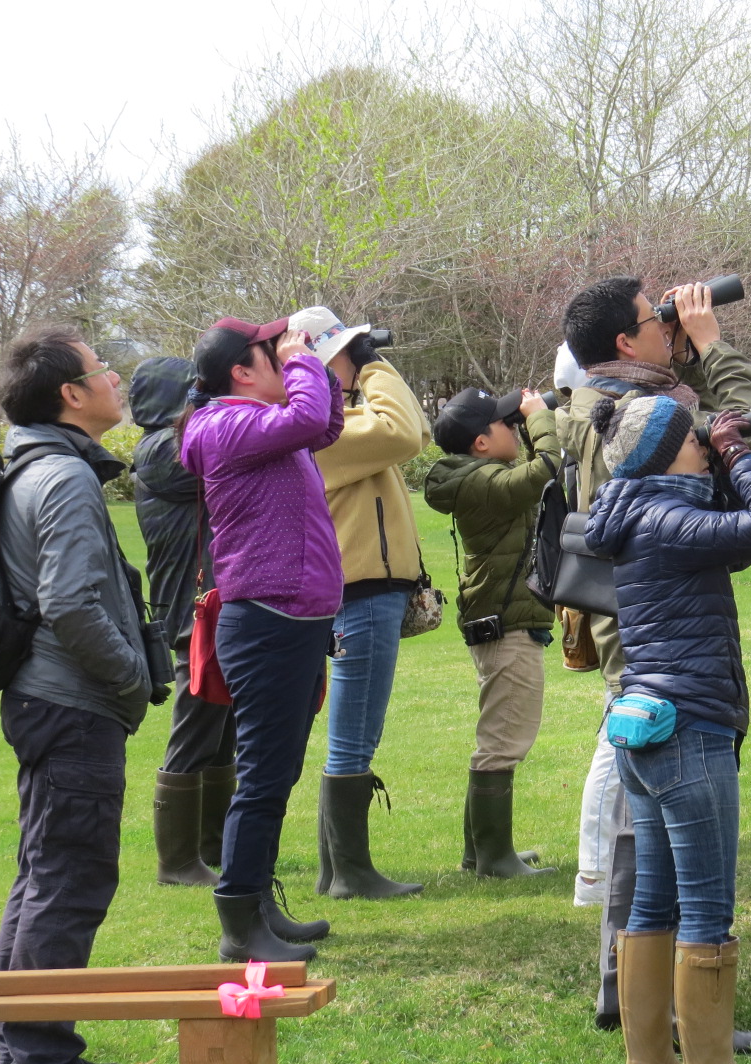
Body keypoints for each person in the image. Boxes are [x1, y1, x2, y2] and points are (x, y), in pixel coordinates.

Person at [558, 276, 751, 1051]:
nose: (666, 323)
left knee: (650, 871)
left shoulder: (592, 413)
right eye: (655, 317)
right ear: (623, 341)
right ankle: (683, 1024)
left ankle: (643, 1025)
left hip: (644, 653)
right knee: (694, 879)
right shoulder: (639, 422)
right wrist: (712, 346)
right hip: (676, 668)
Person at [584, 395, 751, 1064]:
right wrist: (738, 452)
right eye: (694, 436)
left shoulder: (639, 515)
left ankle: (649, 1058)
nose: (703, 441)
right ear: (666, 450)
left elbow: (733, 535)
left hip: (645, 732)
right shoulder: (667, 518)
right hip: (690, 732)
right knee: (707, 913)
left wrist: (724, 463)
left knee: (653, 904)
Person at [0, 324, 155, 1064]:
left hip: (44, 704)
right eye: (103, 369)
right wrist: (130, 676)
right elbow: (71, 605)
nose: (115, 379)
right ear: (71, 394)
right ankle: (38, 1050)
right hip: (72, 705)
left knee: (45, 872)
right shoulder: (63, 478)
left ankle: (22, 1035)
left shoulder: (33, 465)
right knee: (70, 878)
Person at [179, 316, 344, 961]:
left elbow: (323, 424)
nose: (283, 357)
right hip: (270, 621)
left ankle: (259, 906)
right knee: (264, 777)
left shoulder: (263, 429)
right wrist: (303, 358)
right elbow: (309, 420)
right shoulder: (225, 425)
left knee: (278, 772)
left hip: (295, 619)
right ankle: (239, 919)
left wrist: (314, 361)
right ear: (240, 373)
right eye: (269, 352)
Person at [289, 305, 427, 901]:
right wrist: (371, 366)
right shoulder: (323, 435)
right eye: (348, 352)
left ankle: (337, 869)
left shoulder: (333, 426)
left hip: (366, 589)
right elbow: (406, 430)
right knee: (354, 735)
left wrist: (355, 364)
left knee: (354, 730)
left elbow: (406, 430)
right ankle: (349, 871)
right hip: (360, 593)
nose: (360, 359)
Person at [423, 386, 561, 878]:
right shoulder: (485, 483)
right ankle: (494, 860)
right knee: (503, 739)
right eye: (508, 423)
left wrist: (538, 411)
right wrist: (542, 419)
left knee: (498, 735)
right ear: (481, 442)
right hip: (507, 628)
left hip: (504, 622)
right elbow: (548, 468)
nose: (516, 427)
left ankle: (480, 852)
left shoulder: (479, 476)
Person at [129, 356, 237, 888]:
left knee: (222, 733)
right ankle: (176, 862)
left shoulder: (173, 441)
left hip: (213, 606)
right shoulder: (159, 451)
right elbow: (215, 446)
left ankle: (211, 849)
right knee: (195, 732)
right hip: (193, 613)